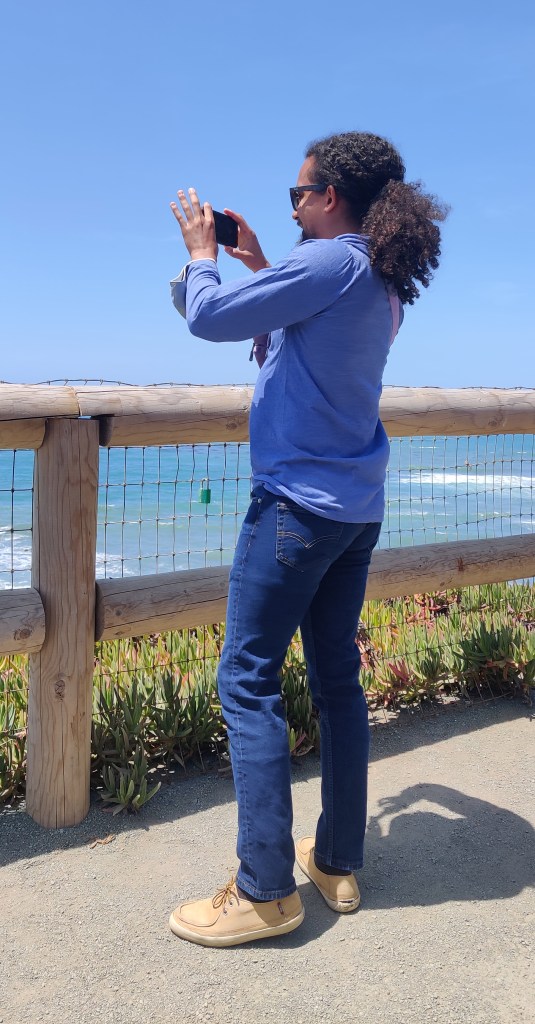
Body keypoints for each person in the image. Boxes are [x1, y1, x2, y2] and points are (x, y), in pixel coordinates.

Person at [167, 131, 447, 947]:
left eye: (299, 194)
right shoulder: (377, 275)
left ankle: (263, 892)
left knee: (246, 682)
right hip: (353, 509)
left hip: (293, 505)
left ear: (331, 198)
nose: (290, 207)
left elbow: (208, 317)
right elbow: (310, 329)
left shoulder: (331, 264)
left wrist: (200, 254)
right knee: (335, 684)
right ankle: (335, 860)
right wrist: (259, 262)